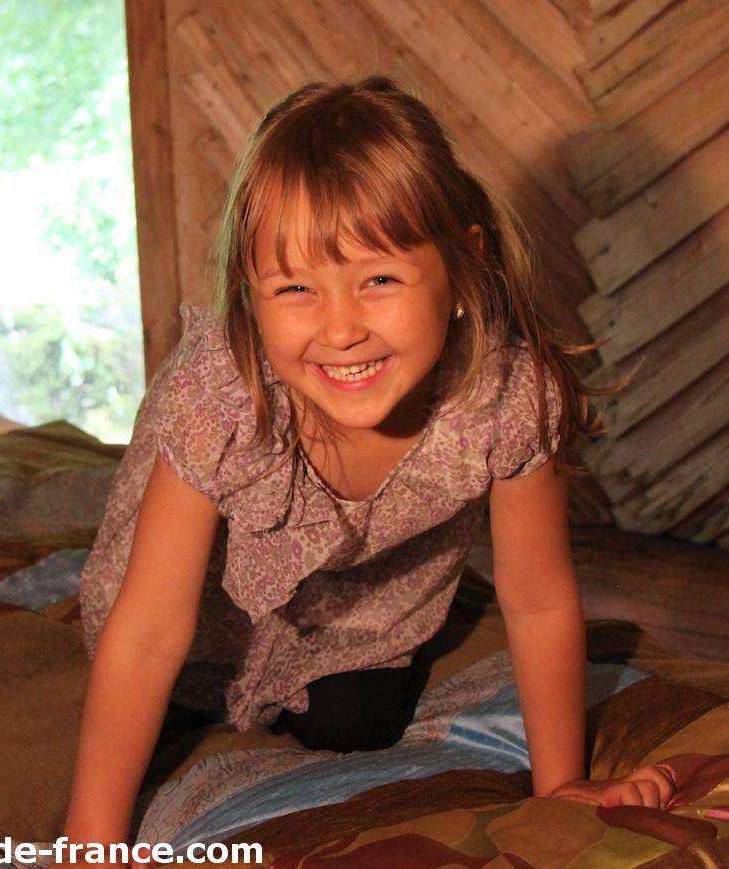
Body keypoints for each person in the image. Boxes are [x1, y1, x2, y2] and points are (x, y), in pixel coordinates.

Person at [61, 75, 672, 860]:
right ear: (249, 297)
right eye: (295, 289)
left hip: (355, 623)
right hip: (199, 620)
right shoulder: (218, 397)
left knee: (359, 724)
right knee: (169, 698)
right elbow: (146, 632)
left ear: (461, 270)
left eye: (379, 279)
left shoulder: (509, 398)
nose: (341, 329)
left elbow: (539, 597)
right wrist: (91, 843)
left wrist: (560, 785)